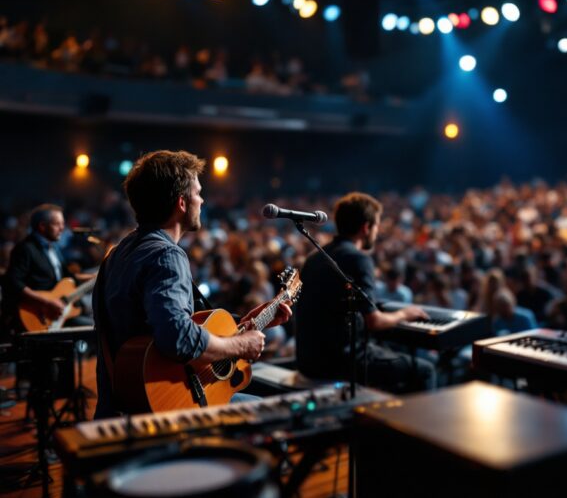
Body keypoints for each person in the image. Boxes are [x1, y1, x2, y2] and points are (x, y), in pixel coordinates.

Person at [93, 151, 290, 418]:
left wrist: (246, 322)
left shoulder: (118, 252)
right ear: (182, 203)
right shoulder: (167, 255)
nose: (203, 200)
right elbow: (177, 337)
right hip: (167, 410)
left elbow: (156, 325)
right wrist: (242, 345)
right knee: (277, 413)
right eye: (198, 193)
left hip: (123, 406)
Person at [295, 192, 436, 393]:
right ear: (366, 227)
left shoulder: (314, 258)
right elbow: (375, 322)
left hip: (309, 362)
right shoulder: (358, 259)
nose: (376, 232)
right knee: (426, 370)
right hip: (339, 363)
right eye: (376, 226)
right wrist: (405, 314)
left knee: (387, 356)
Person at [1, 204, 94, 338]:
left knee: (95, 326)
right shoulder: (25, 249)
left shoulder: (53, 248)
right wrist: (47, 302)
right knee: (95, 330)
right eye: (57, 224)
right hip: (40, 315)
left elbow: (67, 278)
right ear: (42, 226)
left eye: (63, 223)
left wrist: (93, 277)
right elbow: (13, 283)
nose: (62, 228)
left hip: (59, 313)